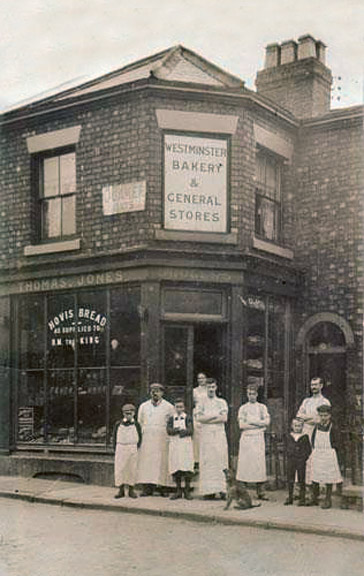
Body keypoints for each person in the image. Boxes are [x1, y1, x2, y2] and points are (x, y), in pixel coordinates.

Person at [136, 383, 174, 496]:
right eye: (152, 390)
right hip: (147, 438)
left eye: (157, 391)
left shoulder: (169, 407)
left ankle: (163, 487)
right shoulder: (143, 406)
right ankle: (147, 488)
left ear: (162, 393)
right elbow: (139, 422)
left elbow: (172, 423)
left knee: (162, 462)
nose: (155, 393)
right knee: (147, 462)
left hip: (162, 437)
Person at [195, 378, 228, 500]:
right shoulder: (201, 402)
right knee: (208, 461)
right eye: (209, 387)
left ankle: (222, 489)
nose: (211, 389)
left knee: (220, 459)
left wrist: (207, 418)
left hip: (218, 434)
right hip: (206, 435)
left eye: (213, 387)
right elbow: (199, 418)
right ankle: (209, 491)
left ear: (216, 387)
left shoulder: (221, 402)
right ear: (206, 388)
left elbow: (224, 418)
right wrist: (215, 416)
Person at [236, 383, 270, 500]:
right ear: (247, 394)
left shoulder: (262, 407)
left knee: (258, 464)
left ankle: (260, 492)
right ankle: (243, 492)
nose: (251, 396)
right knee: (245, 464)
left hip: (258, 439)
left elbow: (266, 422)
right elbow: (241, 425)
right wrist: (258, 424)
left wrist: (251, 422)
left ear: (257, 394)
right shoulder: (243, 408)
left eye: (253, 394)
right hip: (246, 438)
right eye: (249, 394)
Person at [296, 376, 331, 488]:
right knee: (305, 457)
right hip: (305, 432)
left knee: (317, 457)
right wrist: (312, 418)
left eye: (316, 385)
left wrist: (308, 418)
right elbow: (299, 416)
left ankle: (317, 485)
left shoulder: (324, 401)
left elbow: (321, 419)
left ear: (321, 386)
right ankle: (304, 484)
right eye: (312, 385)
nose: (313, 387)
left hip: (318, 433)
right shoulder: (306, 401)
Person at [310, 404, 342, 509]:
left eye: (325, 415)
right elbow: (313, 440)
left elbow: (337, 442)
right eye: (321, 416)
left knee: (328, 477)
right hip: (318, 453)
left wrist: (332, 452)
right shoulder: (317, 427)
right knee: (316, 475)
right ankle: (315, 497)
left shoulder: (333, 427)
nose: (323, 418)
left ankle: (328, 499)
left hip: (329, 453)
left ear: (329, 416)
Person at [167, 397, 194, 500]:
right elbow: (168, 430)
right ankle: (178, 490)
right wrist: (178, 430)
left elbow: (190, 430)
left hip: (185, 444)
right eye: (177, 407)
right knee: (176, 466)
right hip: (174, 444)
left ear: (184, 408)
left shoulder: (187, 418)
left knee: (186, 466)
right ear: (174, 408)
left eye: (181, 407)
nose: (179, 409)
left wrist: (179, 432)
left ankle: (187, 491)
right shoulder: (171, 418)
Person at [113, 403, 142, 499]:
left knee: (131, 468)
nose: (128, 415)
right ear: (123, 414)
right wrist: (116, 449)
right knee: (120, 469)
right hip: (121, 447)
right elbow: (114, 437)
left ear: (134, 413)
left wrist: (135, 447)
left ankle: (131, 490)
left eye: (130, 413)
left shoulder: (137, 424)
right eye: (126, 413)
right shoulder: (118, 424)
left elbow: (140, 437)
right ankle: (120, 490)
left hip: (132, 447)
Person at [284, 418, 312, 506]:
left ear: (302, 427)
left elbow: (308, 449)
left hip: (300, 460)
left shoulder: (304, 437)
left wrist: (303, 457)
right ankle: (290, 497)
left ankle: (302, 498)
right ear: (292, 426)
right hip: (291, 460)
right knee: (290, 478)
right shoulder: (289, 436)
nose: (297, 428)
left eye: (299, 426)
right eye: (295, 426)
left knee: (301, 479)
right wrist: (289, 454)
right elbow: (286, 447)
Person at [192, 372, 208, 470]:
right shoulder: (194, 391)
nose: (201, 380)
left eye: (202, 378)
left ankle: (206, 460)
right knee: (197, 438)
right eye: (199, 378)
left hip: (206, 412)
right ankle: (196, 460)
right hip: (197, 413)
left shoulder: (209, 390)